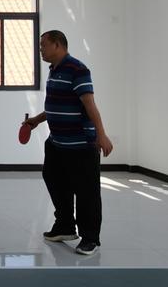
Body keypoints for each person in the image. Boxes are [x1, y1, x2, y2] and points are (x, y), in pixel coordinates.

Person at [23, 30, 113, 256]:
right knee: (54, 180)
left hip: (81, 145)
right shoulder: (54, 70)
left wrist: (101, 135)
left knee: (86, 192)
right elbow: (56, 105)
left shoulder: (78, 70)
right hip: (56, 142)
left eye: (43, 45)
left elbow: (90, 105)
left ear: (57, 45)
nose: (41, 49)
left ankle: (90, 238)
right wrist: (36, 120)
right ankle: (65, 225)